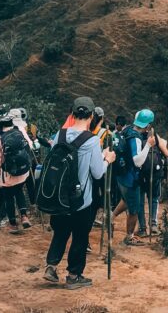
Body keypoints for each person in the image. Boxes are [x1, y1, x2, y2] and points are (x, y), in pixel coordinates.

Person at [44, 96, 116, 290]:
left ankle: (51, 266)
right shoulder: (91, 140)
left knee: (60, 232)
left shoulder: (59, 135)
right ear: (91, 116)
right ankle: (74, 276)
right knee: (79, 236)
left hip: (59, 196)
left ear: (72, 113)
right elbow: (97, 172)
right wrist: (107, 159)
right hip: (81, 199)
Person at [112, 108, 158, 245]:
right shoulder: (136, 138)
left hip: (121, 175)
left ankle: (110, 217)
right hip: (131, 178)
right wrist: (149, 146)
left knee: (126, 200)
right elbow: (137, 161)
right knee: (134, 209)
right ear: (148, 125)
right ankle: (129, 236)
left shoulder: (127, 130)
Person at [0, 108, 35, 234]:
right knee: (19, 191)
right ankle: (24, 216)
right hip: (23, 173)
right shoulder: (19, 130)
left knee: (8, 197)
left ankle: (13, 224)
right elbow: (30, 146)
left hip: (8, 175)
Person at [137, 118, 168, 236]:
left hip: (141, 174)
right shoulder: (155, 136)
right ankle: (153, 225)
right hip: (155, 173)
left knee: (140, 201)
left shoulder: (136, 137)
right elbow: (166, 153)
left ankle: (142, 228)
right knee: (153, 199)